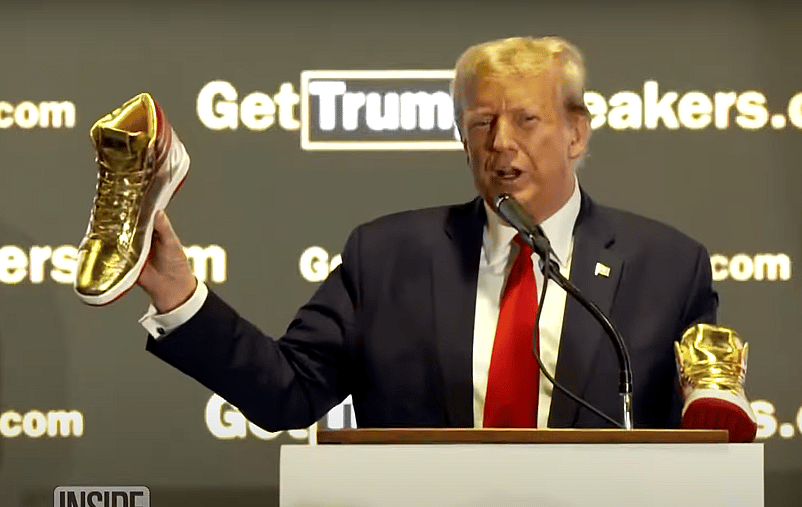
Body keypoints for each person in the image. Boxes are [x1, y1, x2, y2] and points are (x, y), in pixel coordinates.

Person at [135, 36, 720, 431]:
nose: (501, 143)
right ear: (463, 138)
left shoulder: (668, 268)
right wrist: (179, 295)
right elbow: (285, 394)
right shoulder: (386, 257)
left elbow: (703, 433)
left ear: (576, 133)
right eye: (482, 123)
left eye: (526, 120)